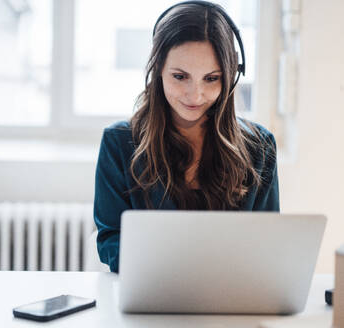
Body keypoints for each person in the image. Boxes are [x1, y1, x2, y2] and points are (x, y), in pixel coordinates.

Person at [93, 1, 279, 273]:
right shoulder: (118, 143)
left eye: (211, 78)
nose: (195, 96)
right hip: (153, 292)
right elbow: (110, 239)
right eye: (180, 77)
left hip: (230, 297)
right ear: (157, 68)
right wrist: (177, 270)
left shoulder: (260, 148)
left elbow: (269, 243)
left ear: (230, 77)